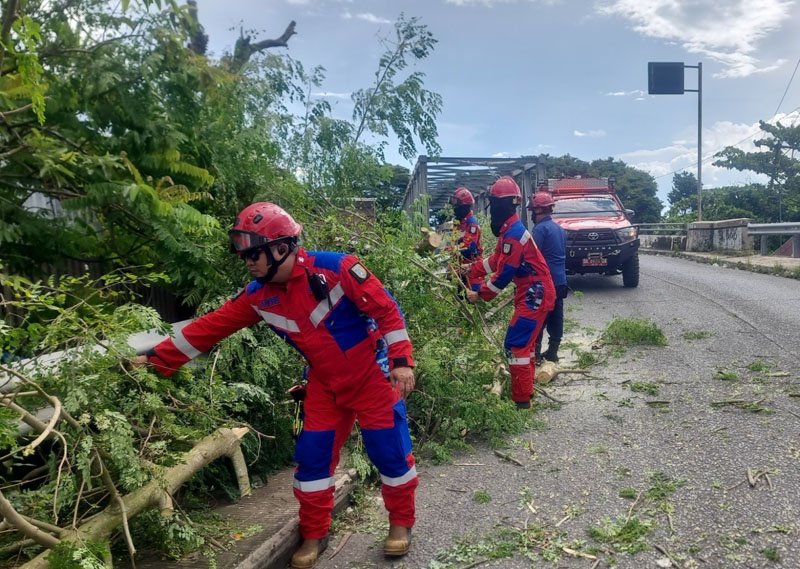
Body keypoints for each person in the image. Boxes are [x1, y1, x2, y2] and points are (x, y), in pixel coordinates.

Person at [131, 202, 418, 569]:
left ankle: (400, 524)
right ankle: (314, 533)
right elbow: (208, 329)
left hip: (371, 378)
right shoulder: (257, 295)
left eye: (254, 254)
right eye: (245, 256)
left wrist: (402, 362)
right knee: (312, 460)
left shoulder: (337, 268)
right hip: (324, 386)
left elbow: (387, 310)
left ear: (281, 247)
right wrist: (156, 360)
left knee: (389, 453)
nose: (248, 262)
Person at [464, 177, 555, 409]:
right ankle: (526, 390)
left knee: (517, 344)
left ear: (499, 205)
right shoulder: (509, 231)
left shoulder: (513, 234)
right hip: (533, 292)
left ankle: (521, 402)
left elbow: (504, 273)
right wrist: (471, 269)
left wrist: (481, 293)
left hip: (535, 294)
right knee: (524, 343)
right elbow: (496, 260)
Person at [529, 191, 568, 363]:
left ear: (538, 210)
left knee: (539, 316)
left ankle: (535, 355)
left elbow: (532, 257)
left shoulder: (540, 229)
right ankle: (553, 352)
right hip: (560, 281)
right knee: (556, 316)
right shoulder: (560, 229)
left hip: (544, 282)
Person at [450, 186, 483, 291]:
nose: (454, 208)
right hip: (459, 267)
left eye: (457, 205)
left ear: (464, 207)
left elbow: (469, 248)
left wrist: (451, 251)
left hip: (472, 267)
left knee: (473, 296)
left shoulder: (471, 224)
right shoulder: (458, 223)